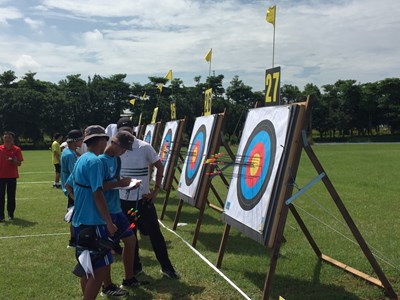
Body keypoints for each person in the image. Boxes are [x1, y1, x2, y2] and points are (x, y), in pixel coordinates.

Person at [65, 125, 127, 299]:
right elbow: (98, 193)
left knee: (87, 269)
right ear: (101, 140)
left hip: (80, 222)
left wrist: (79, 201)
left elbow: (68, 185)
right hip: (94, 223)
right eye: (105, 139)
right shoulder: (95, 161)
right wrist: (108, 222)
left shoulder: (82, 158)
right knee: (98, 272)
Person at [117, 117, 180, 279]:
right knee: (131, 235)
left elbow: (159, 165)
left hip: (143, 201)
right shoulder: (115, 148)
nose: (126, 134)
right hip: (124, 202)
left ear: (134, 131)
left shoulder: (144, 147)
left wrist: (155, 191)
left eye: (129, 131)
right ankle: (136, 267)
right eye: (122, 131)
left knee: (155, 233)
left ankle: (167, 267)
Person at [100, 130, 140, 292]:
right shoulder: (100, 161)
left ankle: (129, 278)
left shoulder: (116, 160)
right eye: (123, 148)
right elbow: (98, 187)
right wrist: (120, 184)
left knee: (130, 241)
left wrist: (129, 183)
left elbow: (116, 181)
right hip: (104, 211)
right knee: (105, 248)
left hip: (116, 208)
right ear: (114, 143)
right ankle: (107, 286)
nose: (124, 152)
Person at [60, 129, 83, 247]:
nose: (83, 142)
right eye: (81, 140)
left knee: (74, 214)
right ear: (76, 141)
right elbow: (74, 174)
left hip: (70, 189)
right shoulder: (70, 155)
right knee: (74, 214)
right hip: (73, 190)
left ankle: (74, 240)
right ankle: (73, 241)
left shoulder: (68, 151)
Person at [0, 131, 23, 221]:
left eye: (9, 138)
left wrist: (14, 161)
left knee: (11, 196)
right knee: (0, 196)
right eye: (5, 138)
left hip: (12, 176)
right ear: (3, 139)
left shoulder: (17, 149)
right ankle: (1, 216)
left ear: (13, 139)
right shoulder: (0, 149)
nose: (7, 140)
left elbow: (19, 163)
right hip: (1, 176)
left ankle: (11, 215)